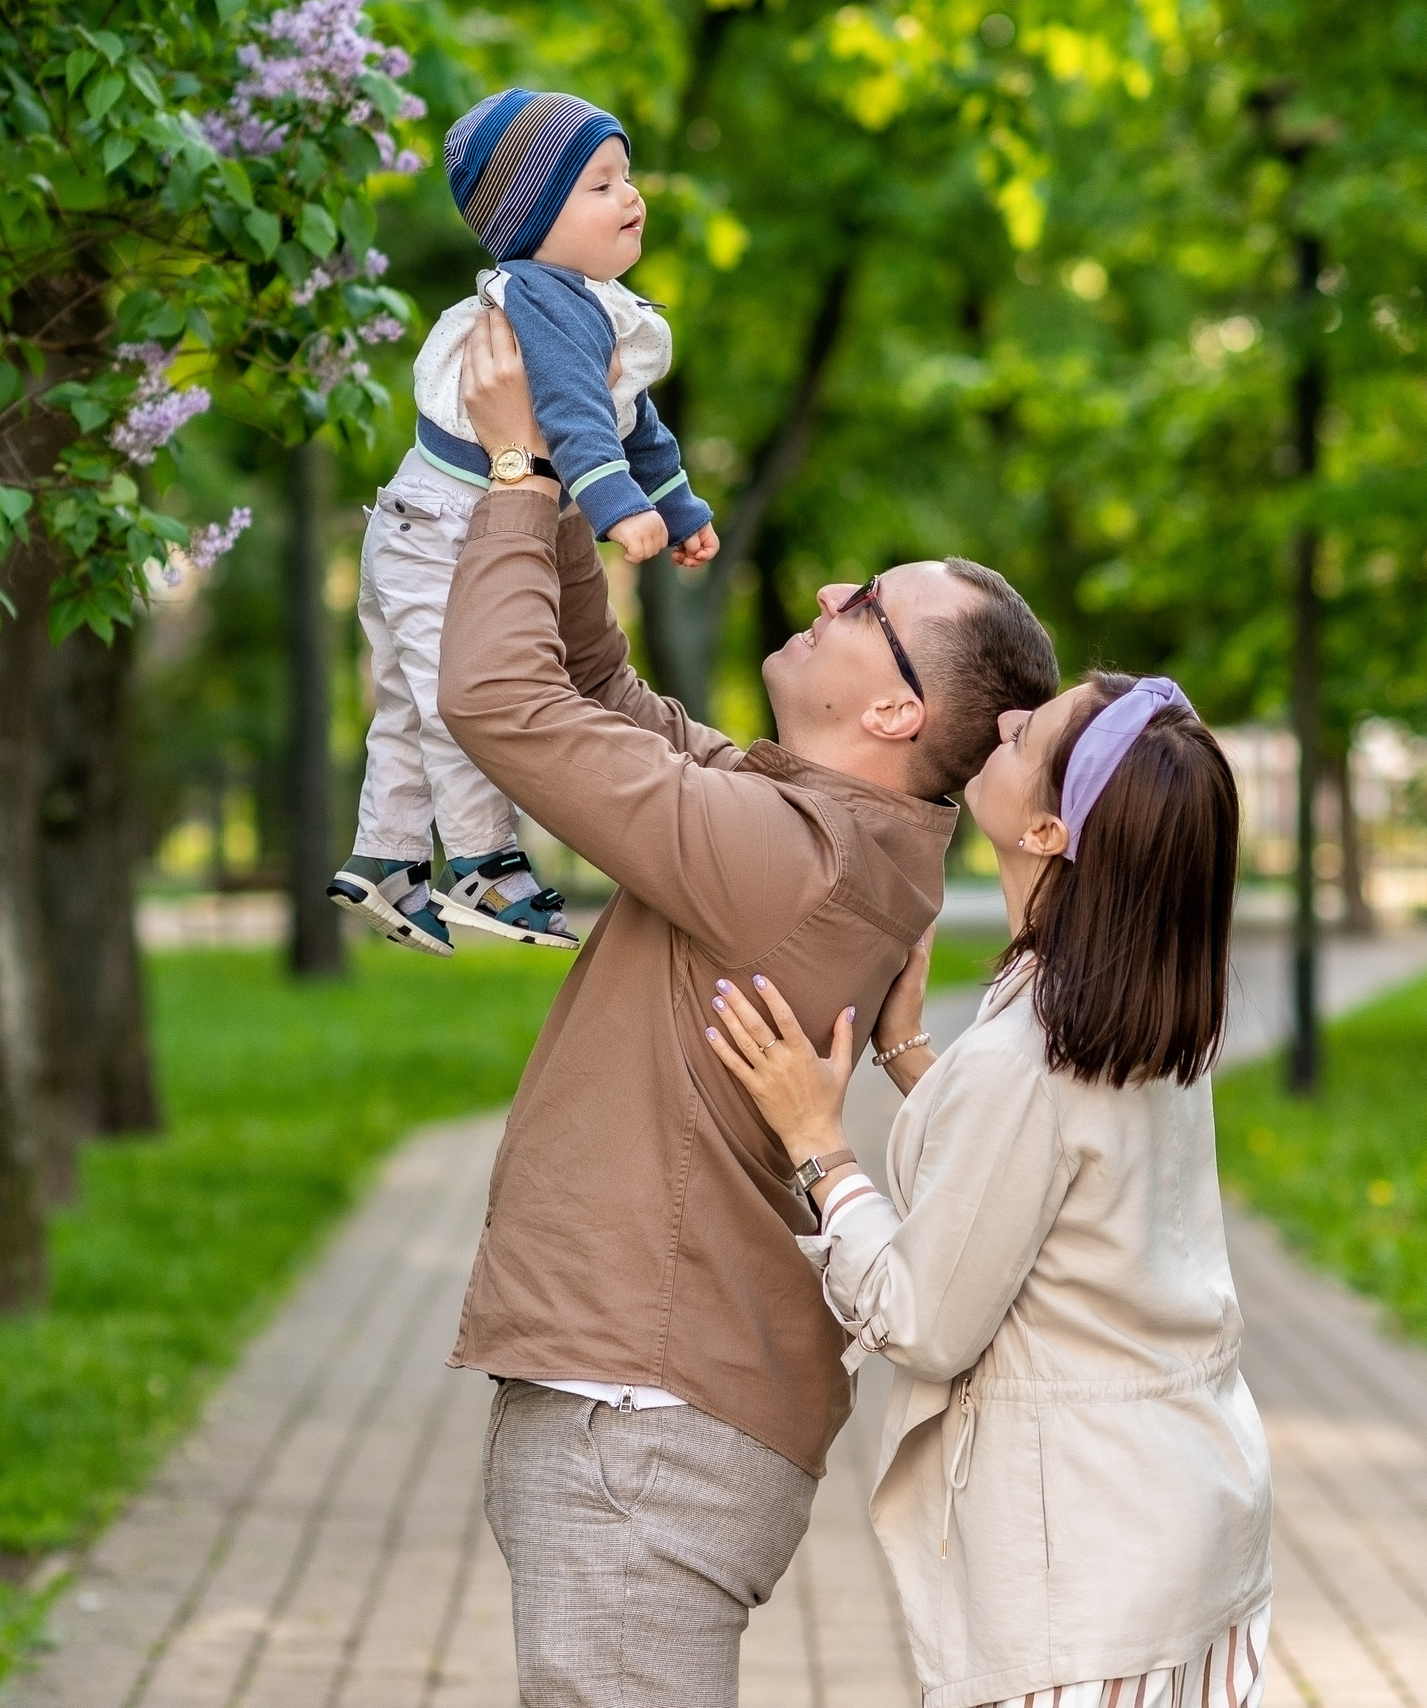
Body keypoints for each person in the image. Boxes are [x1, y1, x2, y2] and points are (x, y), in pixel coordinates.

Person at [438, 307, 1061, 1706]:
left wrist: (514, 475)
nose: (836, 591)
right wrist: (579, 469)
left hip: (643, 1425)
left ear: (901, 716)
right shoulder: (810, 819)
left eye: (870, 609)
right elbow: (601, 689)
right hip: (644, 1415)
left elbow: (499, 699)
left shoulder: (793, 861)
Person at [703, 673, 1277, 1708]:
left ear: (1051, 830)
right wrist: (914, 1054)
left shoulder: (1034, 1053)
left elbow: (925, 1321)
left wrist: (815, 1139)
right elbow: (1045, 1183)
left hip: (1092, 1587)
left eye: (1027, 735)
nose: (1006, 720)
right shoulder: (1138, 1017)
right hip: (1187, 1523)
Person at [328, 88, 717, 955]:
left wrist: (680, 504)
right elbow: (580, 418)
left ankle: (387, 861)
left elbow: (633, 419)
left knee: (405, 703)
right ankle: (484, 863)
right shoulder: (539, 301)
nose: (632, 198)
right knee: (457, 700)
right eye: (602, 185)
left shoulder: (583, 302)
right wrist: (621, 510)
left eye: (629, 178)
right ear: (531, 218)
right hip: (439, 529)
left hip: (423, 521)